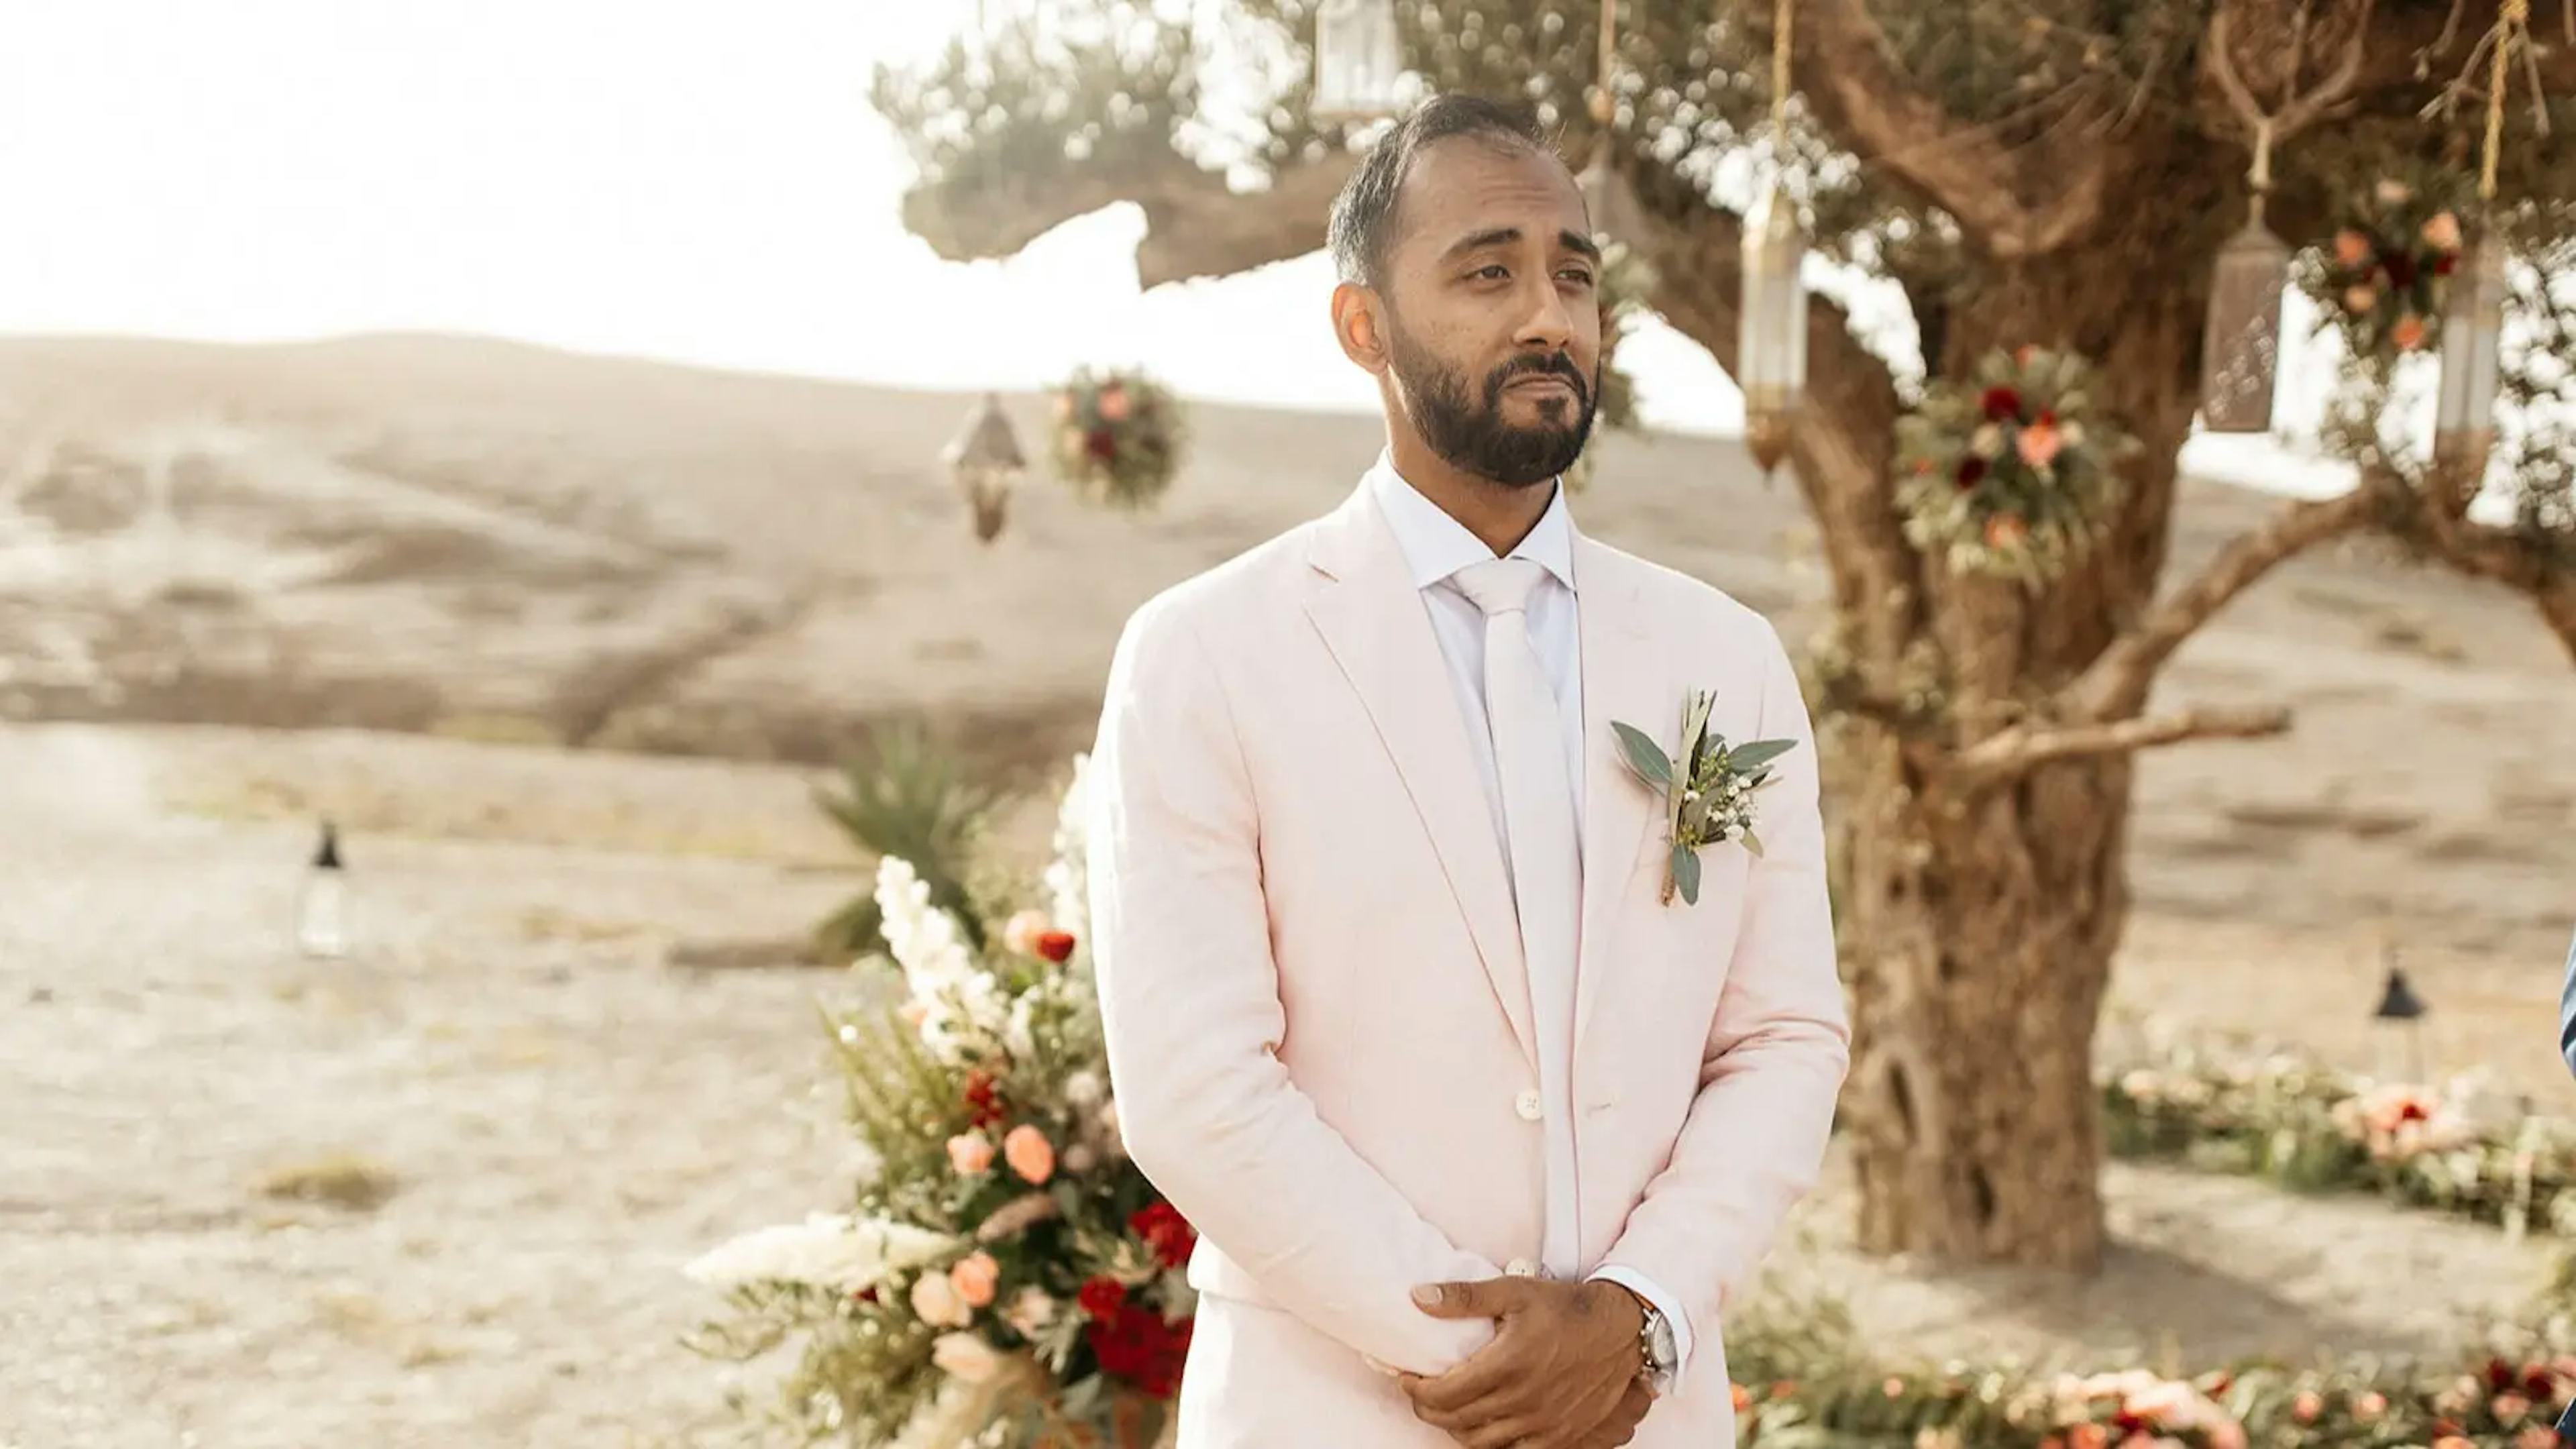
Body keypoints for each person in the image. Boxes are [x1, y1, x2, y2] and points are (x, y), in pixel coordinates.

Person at [1084, 94, 1850, 1449]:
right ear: (1363, 326)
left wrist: (1638, 1311)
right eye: (1488, 271)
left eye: (1574, 274)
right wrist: (1495, 1359)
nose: (1547, 313)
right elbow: (1197, 1086)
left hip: (1646, 1407)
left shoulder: (1720, 658)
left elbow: (1783, 1038)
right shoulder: (1206, 655)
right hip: (1333, 1407)